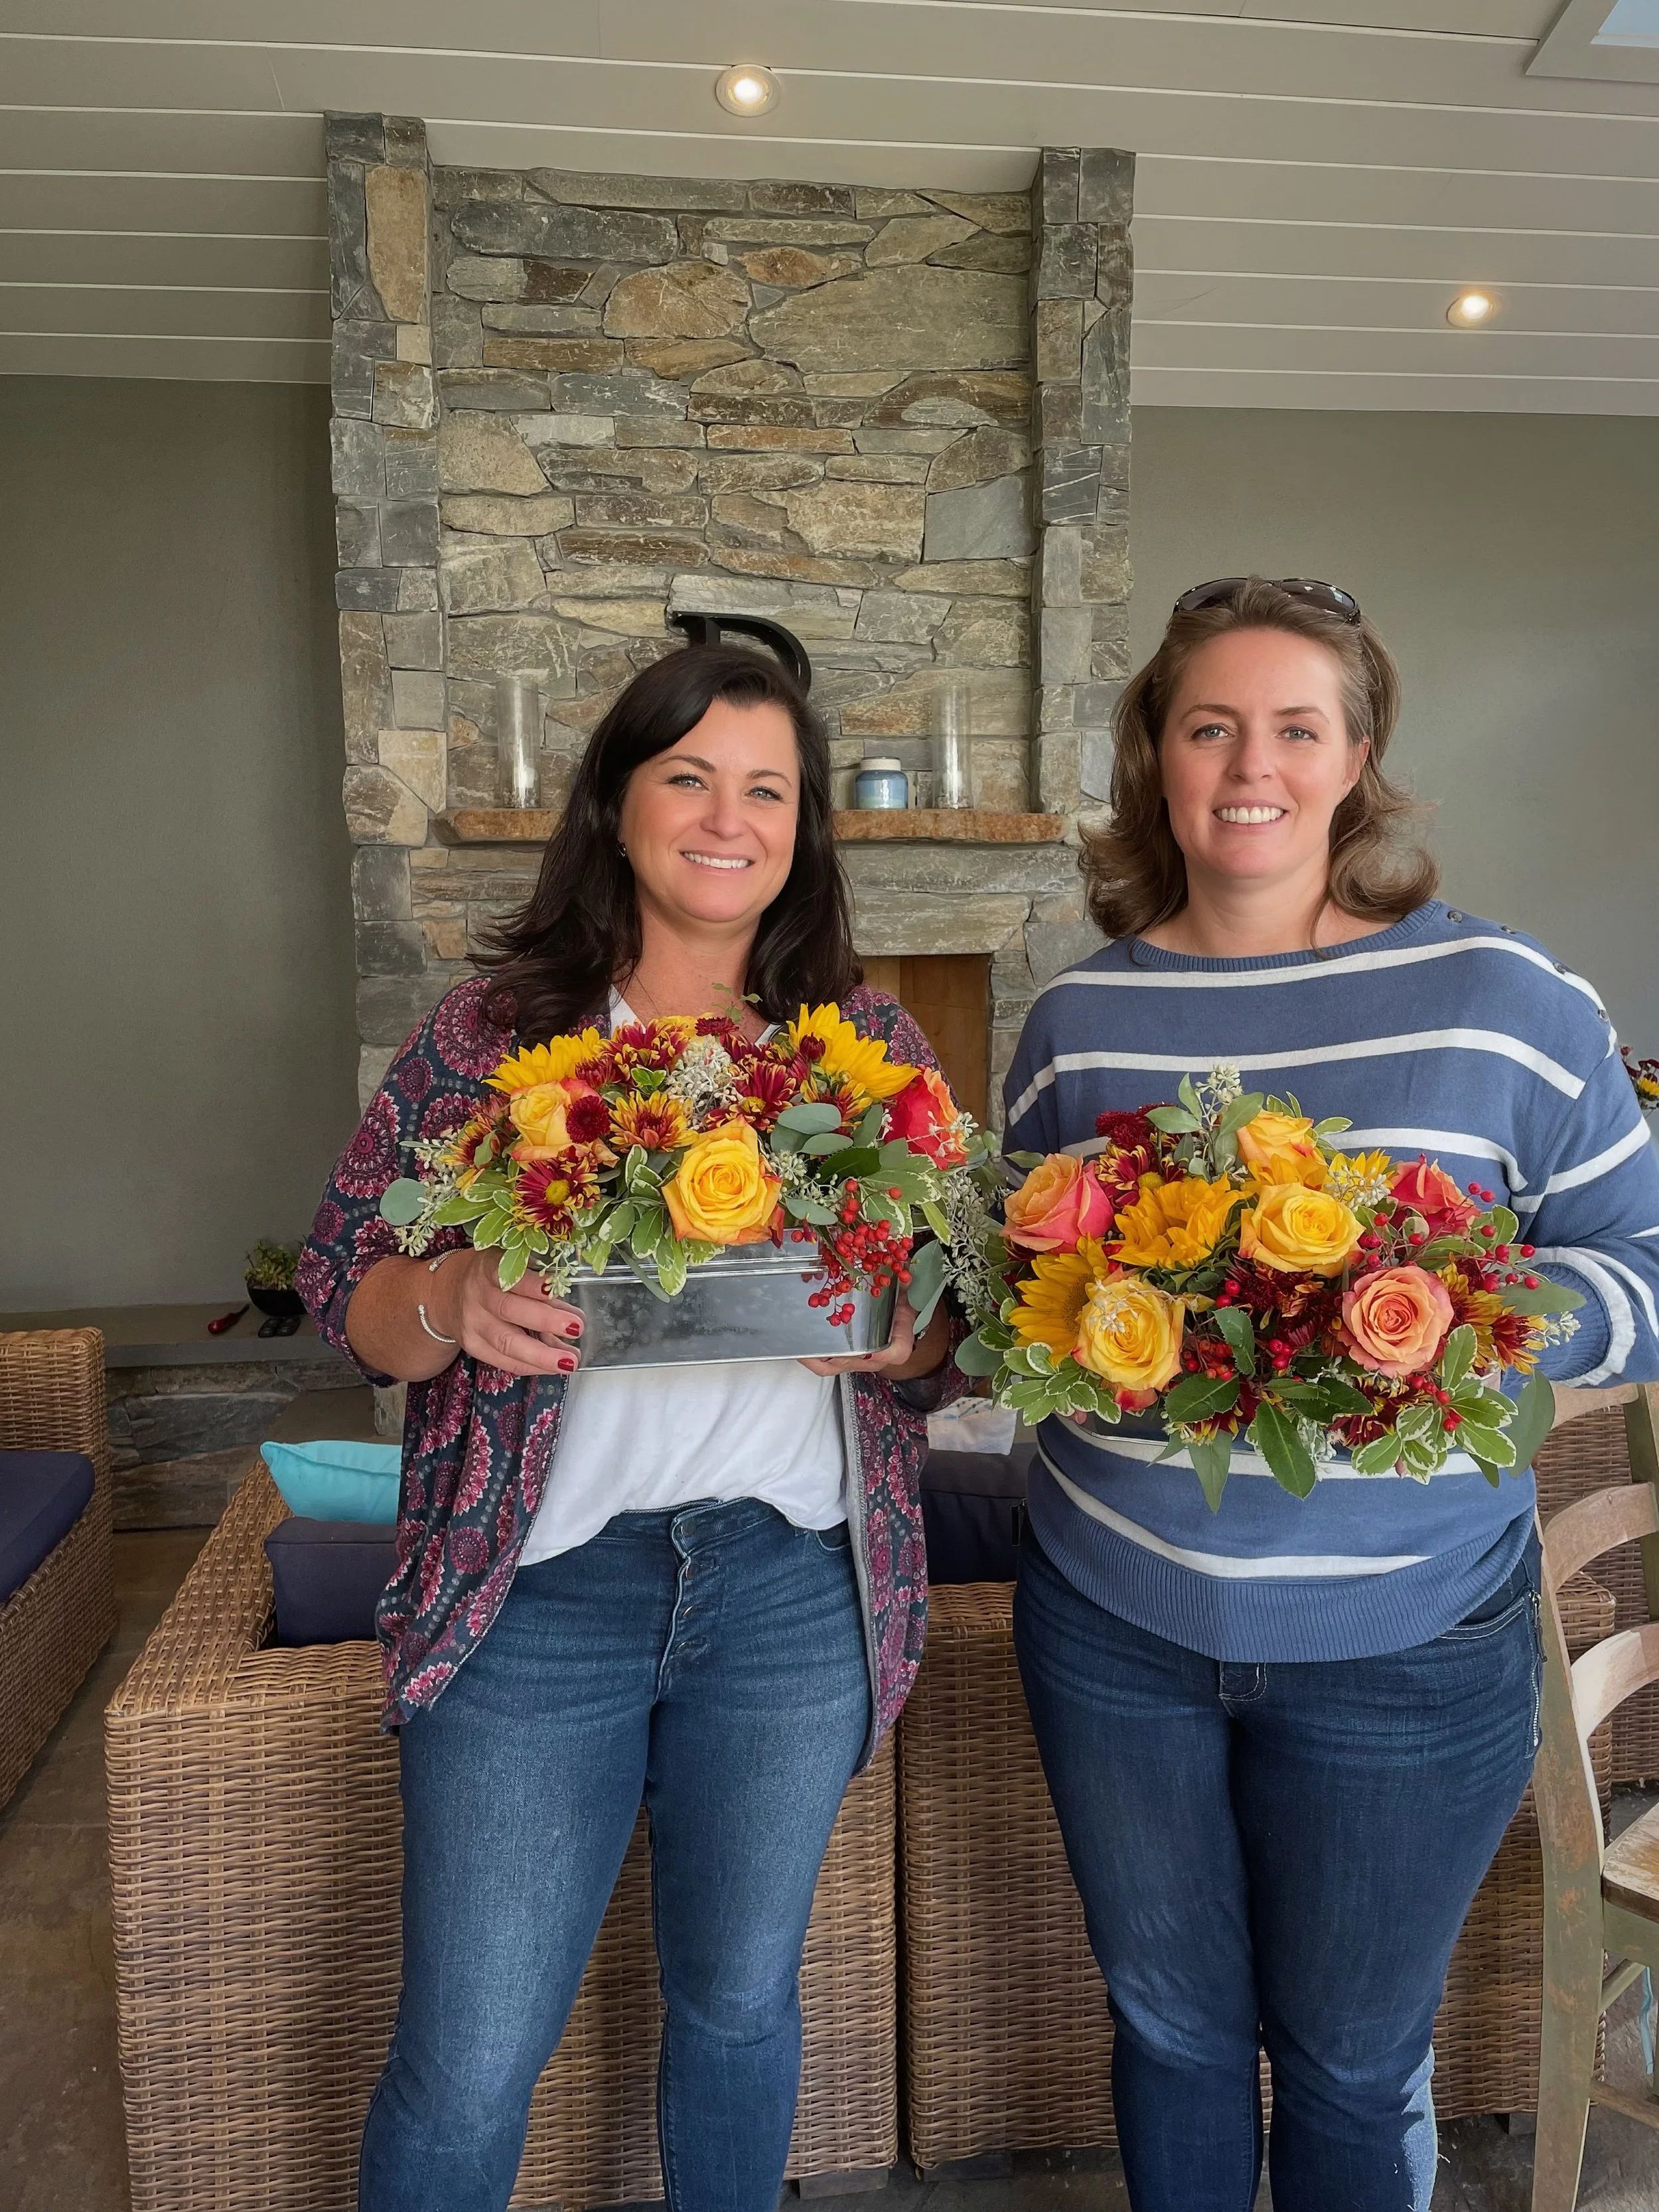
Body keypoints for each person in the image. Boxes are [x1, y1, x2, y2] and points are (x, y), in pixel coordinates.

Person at [1003, 576, 1659, 2212]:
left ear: (1356, 759)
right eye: (1207, 723)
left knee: (1357, 2062)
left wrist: (1481, 1326)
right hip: (1110, 1624)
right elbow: (1016, 1296)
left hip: (1410, 1646)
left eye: (1296, 726)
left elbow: (1640, 1263)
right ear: (1153, 754)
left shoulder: (1507, 1001)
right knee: (1164, 2027)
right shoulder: (1078, 1020)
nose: (1250, 764)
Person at [297, 644, 954, 2212]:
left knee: (739, 2006)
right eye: (687, 777)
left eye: (767, 790)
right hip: (535, 1598)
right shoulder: (493, 1037)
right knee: (468, 2053)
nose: (727, 820)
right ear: (615, 801)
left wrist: (894, 1330)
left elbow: (948, 1329)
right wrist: (451, 1296)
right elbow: (341, 1276)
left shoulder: (864, 1052)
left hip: (792, 1592)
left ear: (803, 831)